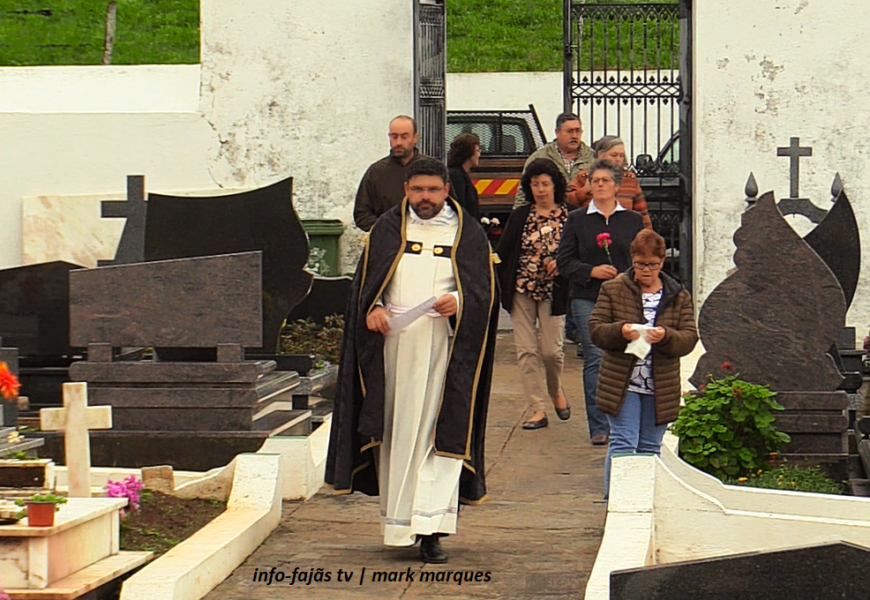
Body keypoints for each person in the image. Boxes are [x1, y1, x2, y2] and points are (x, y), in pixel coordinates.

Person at [326, 157, 499, 564]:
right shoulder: (386, 231)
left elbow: (485, 295)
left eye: (433, 190)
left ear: (446, 190)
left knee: (439, 436)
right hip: (396, 352)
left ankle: (432, 530)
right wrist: (375, 309)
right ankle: (400, 523)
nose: (426, 198)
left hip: (446, 351)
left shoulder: (468, 234)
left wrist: (457, 301)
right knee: (401, 435)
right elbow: (366, 290)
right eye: (418, 190)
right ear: (407, 189)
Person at [588, 228, 698, 498]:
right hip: (622, 382)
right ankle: (616, 500)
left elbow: (689, 338)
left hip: (660, 384)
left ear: (662, 262)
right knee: (624, 441)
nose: (645, 270)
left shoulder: (678, 295)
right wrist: (621, 331)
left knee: (650, 446)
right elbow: (595, 330)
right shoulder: (613, 289)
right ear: (632, 260)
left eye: (651, 264)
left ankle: (645, 502)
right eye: (640, 264)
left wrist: (666, 336)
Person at [557, 159, 644, 446]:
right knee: (595, 357)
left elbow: (643, 259)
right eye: (595, 181)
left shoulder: (632, 220)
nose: (601, 185)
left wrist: (628, 277)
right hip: (588, 297)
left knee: (628, 355)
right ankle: (599, 424)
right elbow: (564, 262)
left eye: (606, 180)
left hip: (626, 298)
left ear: (617, 186)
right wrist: (591, 271)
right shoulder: (577, 220)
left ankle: (626, 417)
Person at [496, 158, 571, 430]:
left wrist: (562, 264)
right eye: (535, 184)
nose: (541, 189)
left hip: (554, 292)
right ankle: (537, 408)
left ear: (555, 185)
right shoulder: (520, 215)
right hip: (521, 289)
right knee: (526, 351)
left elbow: (577, 254)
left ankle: (556, 390)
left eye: (545, 184)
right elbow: (503, 252)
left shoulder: (569, 216)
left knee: (552, 352)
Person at [353, 115, 428, 231]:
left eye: (404, 137)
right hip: (387, 243)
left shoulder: (432, 169)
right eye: (394, 136)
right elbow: (361, 213)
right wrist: (386, 230)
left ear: (415, 138)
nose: (398, 142)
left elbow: (450, 209)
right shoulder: (376, 172)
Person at [569, 136, 653, 229]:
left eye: (621, 156)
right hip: (590, 230)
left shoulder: (630, 178)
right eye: (614, 155)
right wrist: (584, 191)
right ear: (600, 154)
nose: (618, 159)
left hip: (624, 231)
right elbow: (566, 201)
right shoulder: (585, 176)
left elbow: (642, 212)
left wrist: (648, 236)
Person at [513, 113, 594, 208]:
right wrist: (518, 217)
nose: (575, 136)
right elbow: (523, 193)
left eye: (578, 131)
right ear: (557, 132)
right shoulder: (540, 157)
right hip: (550, 214)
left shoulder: (593, 158)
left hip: (585, 215)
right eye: (569, 131)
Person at [447, 133, 481, 219]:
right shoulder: (456, 176)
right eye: (477, 151)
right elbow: (460, 207)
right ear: (468, 153)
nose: (479, 155)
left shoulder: (462, 174)